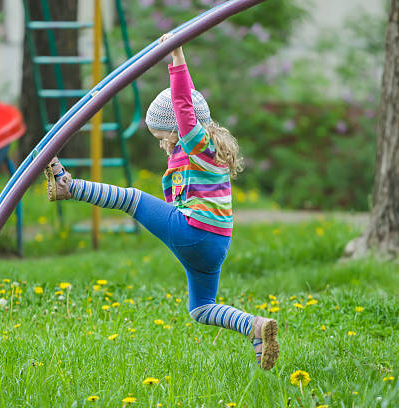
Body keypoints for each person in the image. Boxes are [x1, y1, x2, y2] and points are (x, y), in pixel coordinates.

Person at [44, 33, 279, 369]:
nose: (160, 144)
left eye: (159, 136)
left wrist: (176, 54)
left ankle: (68, 186)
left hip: (195, 230)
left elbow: (183, 105)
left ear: (176, 129)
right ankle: (255, 327)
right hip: (216, 243)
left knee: (132, 198)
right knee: (201, 308)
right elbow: (189, 112)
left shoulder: (195, 143)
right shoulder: (207, 153)